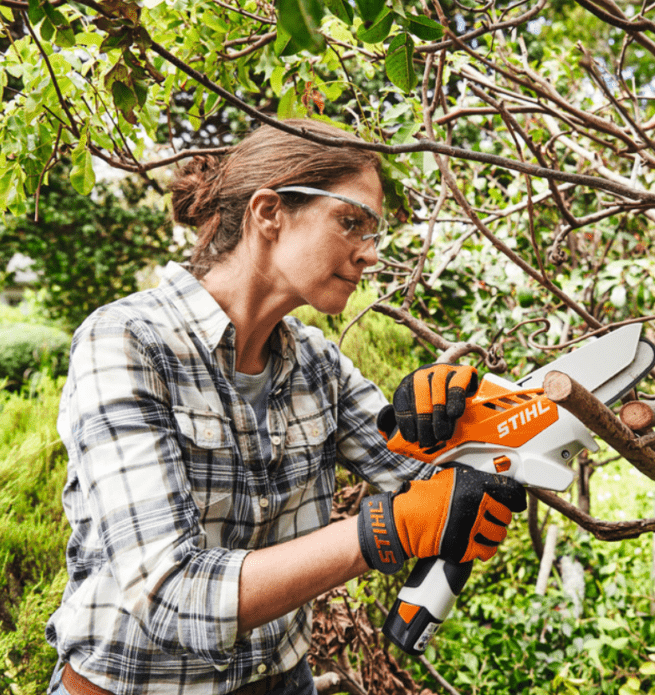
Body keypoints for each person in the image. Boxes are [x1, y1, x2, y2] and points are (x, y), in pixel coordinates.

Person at [45, 118, 526, 695]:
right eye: (352, 223)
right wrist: (384, 532)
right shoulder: (128, 340)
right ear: (268, 212)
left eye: (374, 232)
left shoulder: (315, 363)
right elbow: (171, 594)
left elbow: (445, 479)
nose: (370, 255)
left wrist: (461, 413)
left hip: (281, 683)